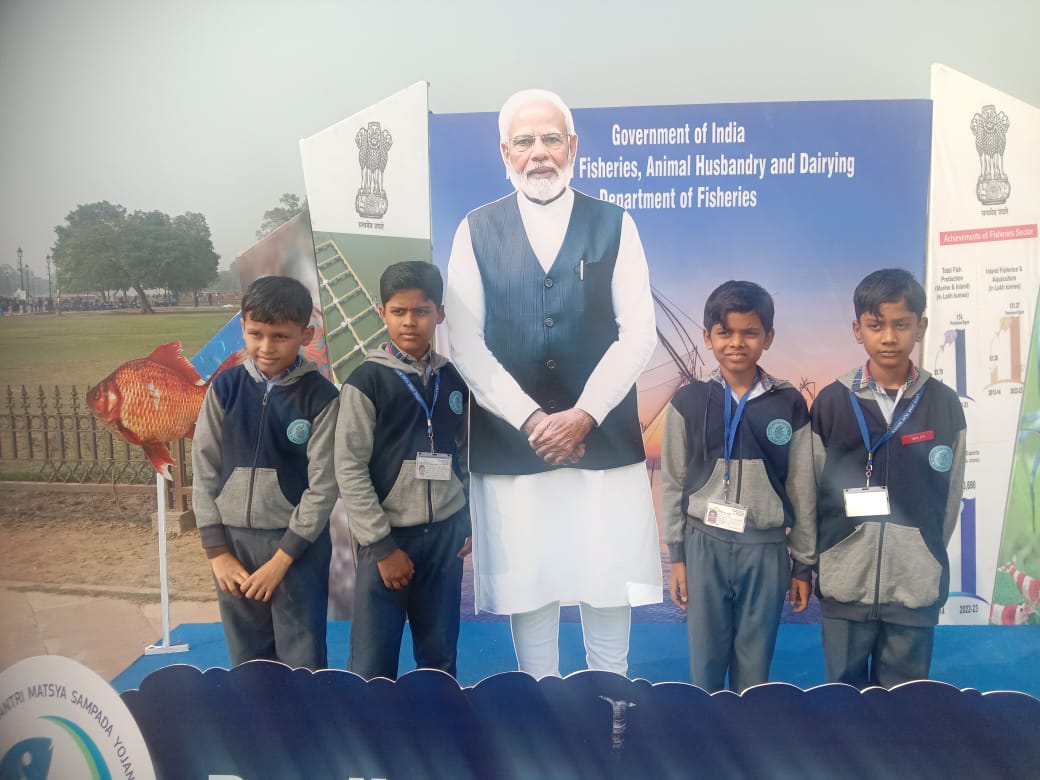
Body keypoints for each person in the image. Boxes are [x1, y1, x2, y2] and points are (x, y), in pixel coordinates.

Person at [444, 88, 662, 679]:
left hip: (602, 439)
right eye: (523, 141)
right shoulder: (475, 230)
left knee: (607, 575)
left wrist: (584, 414)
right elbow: (465, 341)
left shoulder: (616, 223)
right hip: (516, 445)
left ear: (572, 146)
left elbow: (638, 333)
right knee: (529, 582)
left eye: (549, 139)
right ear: (504, 152)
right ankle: (539, 708)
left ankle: (609, 700)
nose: (538, 153)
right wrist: (533, 421)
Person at [812, 268, 966, 688]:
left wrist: (923, 552)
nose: (889, 337)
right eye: (876, 325)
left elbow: (949, 498)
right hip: (845, 582)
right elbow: (809, 492)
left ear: (922, 326)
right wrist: (816, 560)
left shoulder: (943, 404)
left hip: (913, 586)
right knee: (843, 699)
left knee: (904, 704)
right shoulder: (831, 401)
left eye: (902, 324)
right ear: (857, 329)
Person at [661, 281, 816, 692]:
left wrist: (802, 563)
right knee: (706, 659)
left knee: (755, 659)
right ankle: (707, 741)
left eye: (750, 332)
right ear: (707, 337)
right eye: (724, 332)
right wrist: (677, 556)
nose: (736, 343)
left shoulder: (789, 403)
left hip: (765, 549)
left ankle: (747, 736)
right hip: (703, 543)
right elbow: (673, 483)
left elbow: (802, 487)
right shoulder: (689, 401)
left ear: (768, 337)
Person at [192, 276, 340, 669]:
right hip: (233, 546)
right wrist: (217, 552)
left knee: (302, 655)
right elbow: (203, 469)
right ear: (242, 326)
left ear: (306, 334)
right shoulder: (224, 388)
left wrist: (281, 559)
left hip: (296, 548)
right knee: (247, 656)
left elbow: (323, 488)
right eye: (255, 333)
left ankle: (305, 729)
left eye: (280, 336)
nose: (265, 347)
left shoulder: (322, 398)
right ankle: (257, 727)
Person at [335, 261, 471, 680]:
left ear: (439, 314)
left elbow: (466, 457)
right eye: (398, 311)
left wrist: (466, 521)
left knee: (440, 654)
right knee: (373, 661)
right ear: (383, 313)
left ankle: (437, 732)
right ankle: (374, 742)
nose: (410, 322)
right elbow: (350, 468)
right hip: (388, 539)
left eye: (421, 311)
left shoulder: (454, 380)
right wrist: (381, 546)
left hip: (444, 538)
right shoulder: (366, 381)